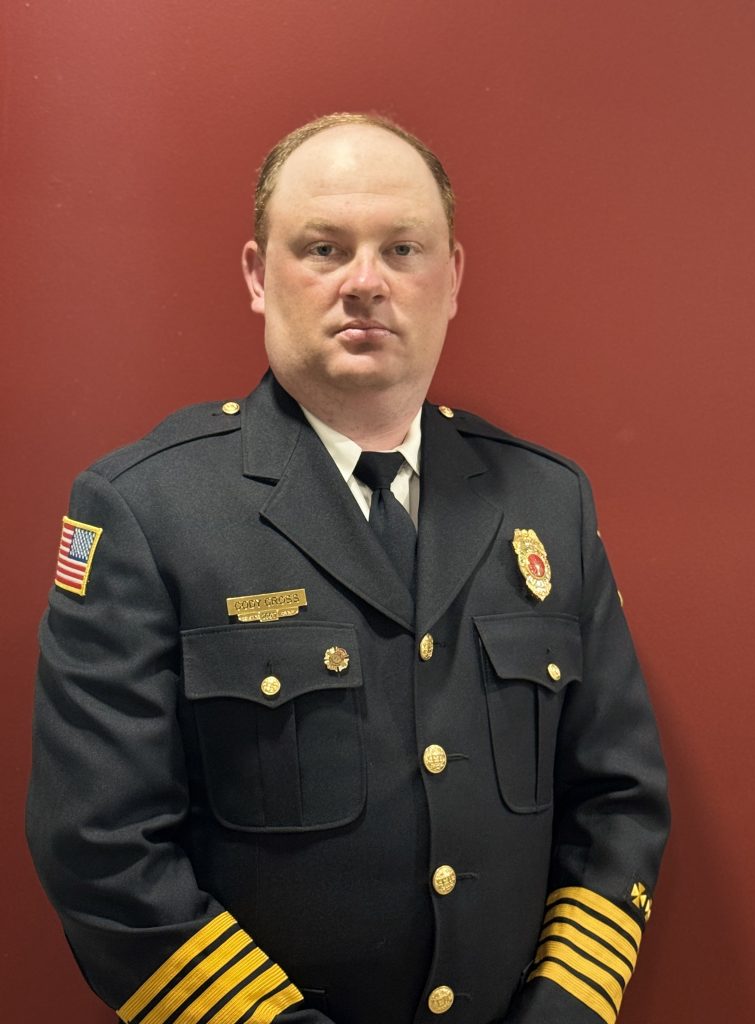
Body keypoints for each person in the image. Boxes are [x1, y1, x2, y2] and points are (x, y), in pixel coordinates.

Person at [27, 113, 669, 1024]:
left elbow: (621, 799)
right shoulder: (146, 510)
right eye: (324, 248)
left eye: (403, 248)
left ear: (452, 280)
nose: (365, 283)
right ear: (258, 275)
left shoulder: (546, 503)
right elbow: (101, 853)